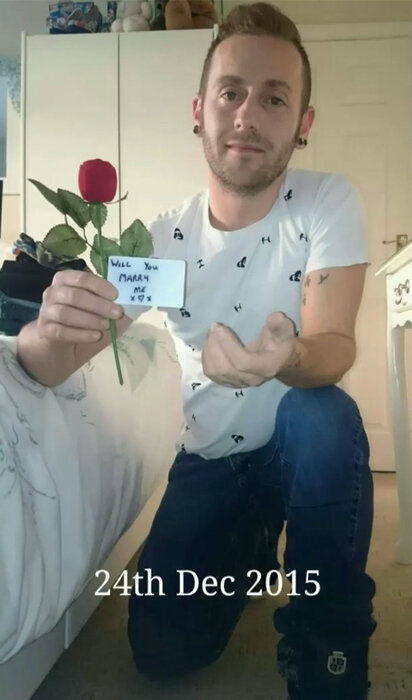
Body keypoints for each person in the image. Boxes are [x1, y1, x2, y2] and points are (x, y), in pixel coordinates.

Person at [16, 3, 377, 698]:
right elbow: (54, 362)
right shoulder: (159, 240)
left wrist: (284, 359)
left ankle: (328, 650)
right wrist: (45, 331)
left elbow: (334, 346)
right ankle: (251, 547)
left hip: (299, 448)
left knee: (321, 413)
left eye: (274, 99)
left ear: (302, 123)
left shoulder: (325, 203)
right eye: (230, 92)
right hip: (213, 460)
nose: (247, 115)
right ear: (199, 111)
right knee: (160, 650)